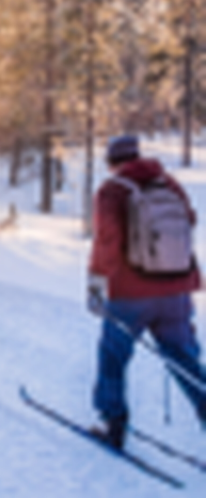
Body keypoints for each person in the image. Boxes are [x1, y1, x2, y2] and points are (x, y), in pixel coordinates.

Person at [87, 133, 206, 449]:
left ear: (112, 161)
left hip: (130, 294)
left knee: (113, 356)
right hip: (176, 290)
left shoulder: (112, 191)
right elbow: (189, 220)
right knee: (185, 361)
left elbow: (106, 243)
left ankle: (112, 424)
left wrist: (97, 287)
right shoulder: (168, 184)